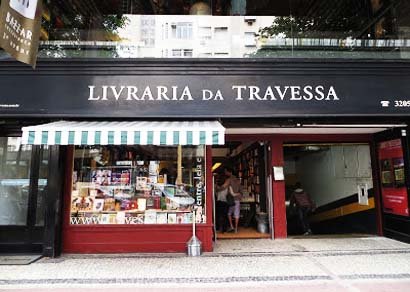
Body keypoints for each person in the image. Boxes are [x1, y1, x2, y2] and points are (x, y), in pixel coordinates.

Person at [220, 167, 242, 233]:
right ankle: (236, 229)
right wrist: (237, 194)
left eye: (226, 171)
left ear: (230, 172)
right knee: (237, 214)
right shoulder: (238, 180)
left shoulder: (229, 180)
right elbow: (241, 190)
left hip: (231, 200)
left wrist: (216, 188)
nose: (225, 173)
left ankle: (232, 226)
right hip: (237, 199)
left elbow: (223, 187)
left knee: (229, 213)